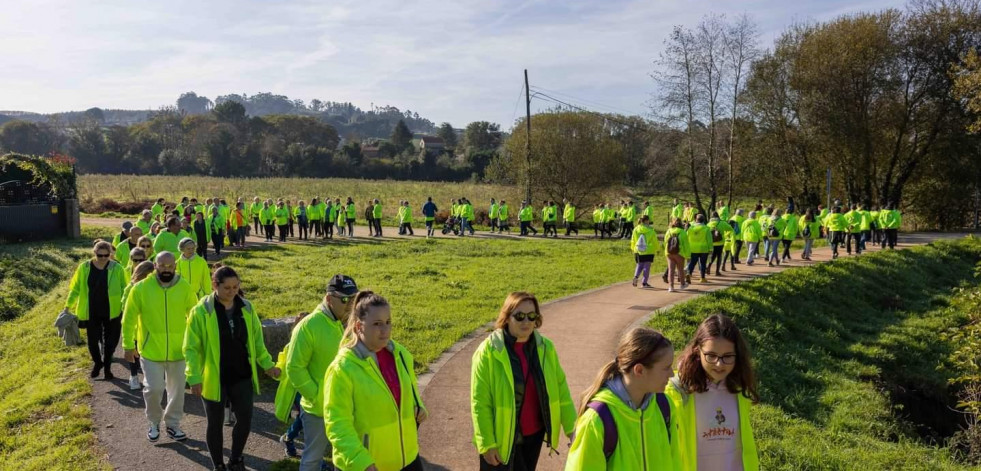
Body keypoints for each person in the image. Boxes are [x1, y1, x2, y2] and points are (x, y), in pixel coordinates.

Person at [184, 266, 281, 471]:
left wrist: (267, 365)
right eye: (227, 287)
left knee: (245, 420)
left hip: (241, 375)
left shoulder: (246, 307)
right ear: (215, 285)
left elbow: (256, 340)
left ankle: (236, 459)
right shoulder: (201, 311)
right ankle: (218, 464)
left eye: (235, 287)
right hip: (214, 377)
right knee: (215, 423)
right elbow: (190, 348)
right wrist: (193, 377)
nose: (232, 291)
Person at [471, 292, 576, 470]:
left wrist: (573, 429)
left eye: (531, 316)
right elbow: (480, 403)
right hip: (502, 436)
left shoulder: (546, 348)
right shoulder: (488, 352)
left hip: (534, 435)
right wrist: (487, 444)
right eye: (519, 316)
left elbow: (561, 390)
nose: (526, 322)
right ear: (507, 317)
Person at [323, 291, 428, 471]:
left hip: (408, 459)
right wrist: (362, 461)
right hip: (364, 465)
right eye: (377, 324)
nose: (385, 330)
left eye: (388, 322)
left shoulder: (400, 353)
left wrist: (418, 406)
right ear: (358, 326)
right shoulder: (342, 368)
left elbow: (410, 389)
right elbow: (337, 425)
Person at [566, 327, 679, 469]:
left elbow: (675, 462)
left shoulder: (664, 406)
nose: (672, 374)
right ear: (639, 370)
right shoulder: (597, 420)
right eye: (666, 368)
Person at [666, 314, 760, 471]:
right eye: (711, 355)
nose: (719, 364)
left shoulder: (739, 389)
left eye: (728, 356)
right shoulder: (678, 391)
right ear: (697, 351)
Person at [122, 252, 199, 442]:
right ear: (155, 265)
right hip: (151, 350)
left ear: (175, 266)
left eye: (170, 266)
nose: (166, 269)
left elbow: (194, 316)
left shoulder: (184, 286)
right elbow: (129, 318)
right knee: (154, 388)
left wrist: (197, 343)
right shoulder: (140, 288)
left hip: (179, 350)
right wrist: (127, 344)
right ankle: (154, 422)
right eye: (162, 265)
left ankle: (173, 425)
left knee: (177, 391)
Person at [286, 275, 359, 471]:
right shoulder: (308, 325)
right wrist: (318, 395)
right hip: (318, 410)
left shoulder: (351, 324)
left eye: (354, 299)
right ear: (329, 298)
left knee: (345, 457)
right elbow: (294, 368)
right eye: (344, 299)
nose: (350, 305)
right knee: (312, 459)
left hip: (347, 406)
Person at [65, 240, 128, 379]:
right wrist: (68, 306)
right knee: (92, 341)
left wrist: (127, 306)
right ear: (94, 253)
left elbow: (126, 288)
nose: (104, 258)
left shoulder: (117, 268)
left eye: (106, 255)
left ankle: (107, 367)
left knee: (110, 342)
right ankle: (97, 363)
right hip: (91, 311)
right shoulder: (84, 267)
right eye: (100, 255)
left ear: (110, 254)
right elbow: (75, 288)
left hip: (113, 310)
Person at [275, 311, 310, 459]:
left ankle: (288, 438)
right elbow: (283, 366)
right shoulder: (291, 347)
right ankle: (316, 462)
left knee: (305, 419)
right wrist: (276, 370)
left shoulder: (315, 343)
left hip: (311, 388)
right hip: (297, 389)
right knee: (309, 421)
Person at [123, 260, 154, 390]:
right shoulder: (131, 288)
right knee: (134, 354)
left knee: (148, 356)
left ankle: (152, 380)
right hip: (135, 327)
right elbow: (125, 306)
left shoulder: (156, 287)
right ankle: (134, 376)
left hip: (149, 327)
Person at [630, 215, 661, 288]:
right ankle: (644, 282)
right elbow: (654, 241)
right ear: (646, 221)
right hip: (648, 250)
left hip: (638, 249)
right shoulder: (651, 230)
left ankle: (636, 276)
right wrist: (657, 249)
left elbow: (633, 240)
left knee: (639, 264)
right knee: (646, 267)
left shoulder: (636, 229)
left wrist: (633, 248)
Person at [664, 218, 690, 292]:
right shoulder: (682, 232)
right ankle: (682, 284)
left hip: (669, 252)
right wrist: (688, 255)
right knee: (680, 269)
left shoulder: (668, 231)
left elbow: (665, 242)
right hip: (679, 253)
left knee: (671, 270)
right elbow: (686, 245)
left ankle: (671, 286)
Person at [686, 214, 712, 284]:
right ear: (703, 220)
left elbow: (687, 238)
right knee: (703, 263)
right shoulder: (706, 229)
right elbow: (709, 240)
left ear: (696, 220)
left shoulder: (690, 228)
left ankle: (689, 273)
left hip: (693, 248)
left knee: (692, 263)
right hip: (704, 249)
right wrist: (711, 249)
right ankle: (702, 278)